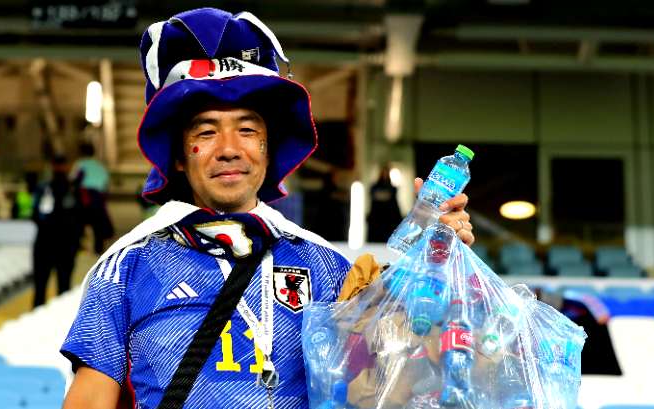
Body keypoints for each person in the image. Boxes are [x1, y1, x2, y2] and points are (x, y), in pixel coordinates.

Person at [60, 9, 474, 409]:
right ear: (179, 157)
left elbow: (397, 381)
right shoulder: (126, 269)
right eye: (206, 131)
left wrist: (435, 262)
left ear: (268, 148)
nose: (228, 150)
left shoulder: (326, 265)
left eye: (246, 129)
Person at [32, 155, 84, 307]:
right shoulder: (43, 189)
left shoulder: (74, 191)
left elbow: (80, 218)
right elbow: (36, 215)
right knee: (40, 286)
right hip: (44, 244)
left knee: (64, 286)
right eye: (56, 165)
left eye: (62, 165)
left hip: (66, 245)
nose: (59, 168)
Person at [70, 143, 113, 253]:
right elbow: (106, 184)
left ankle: (78, 246)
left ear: (82, 153)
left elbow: (73, 179)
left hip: (85, 195)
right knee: (97, 223)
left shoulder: (80, 164)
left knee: (79, 222)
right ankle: (98, 249)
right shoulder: (101, 166)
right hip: (99, 197)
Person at [367, 165, 403, 242]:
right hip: (376, 218)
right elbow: (374, 195)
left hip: (388, 219)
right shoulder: (374, 186)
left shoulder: (392, 188)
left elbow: (390, 198)